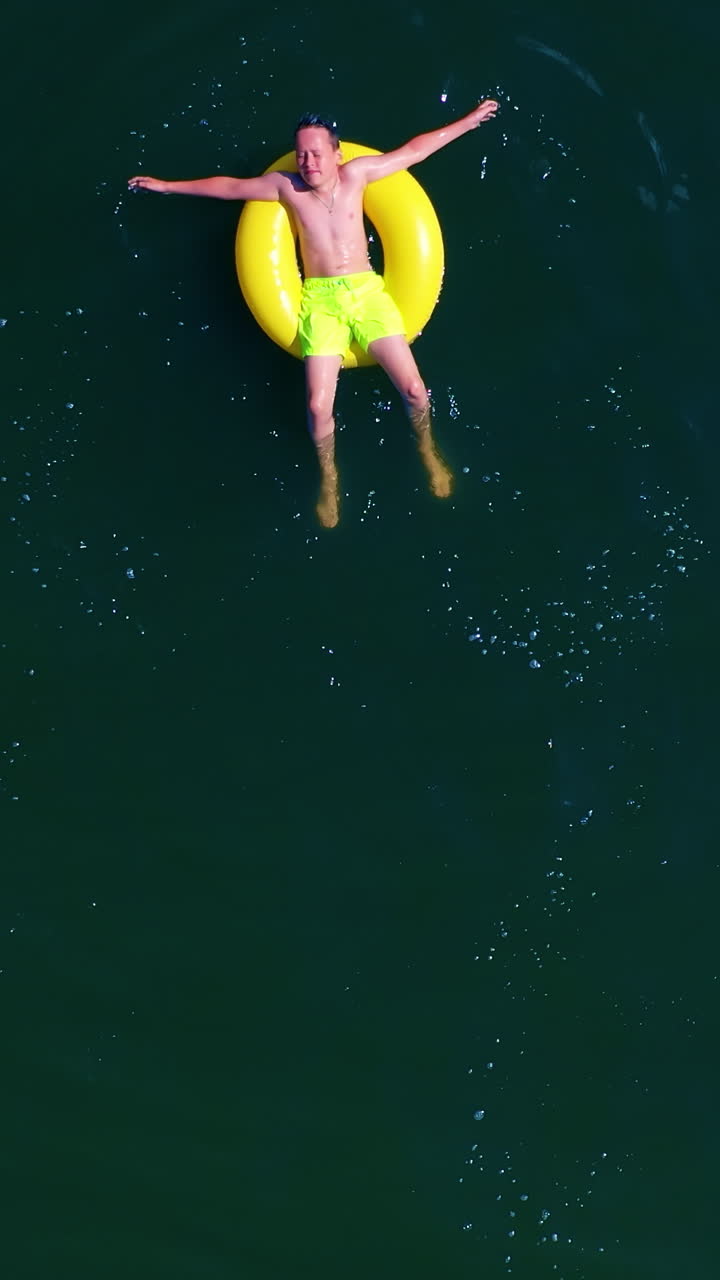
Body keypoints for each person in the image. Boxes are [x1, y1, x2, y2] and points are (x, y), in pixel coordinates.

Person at [129, 100, 499, 527]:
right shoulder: (286, 188)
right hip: (319, 301)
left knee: (415, 390)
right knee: (318, 405)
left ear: (337, 154)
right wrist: (167, 186)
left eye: (316, 153)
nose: (308, 162)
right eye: (301, 153)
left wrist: (469, 122)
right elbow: (229, 187)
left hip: (366, 293)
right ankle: (329, 479)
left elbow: (414, 151)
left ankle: (428, 452)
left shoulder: (357, 175)